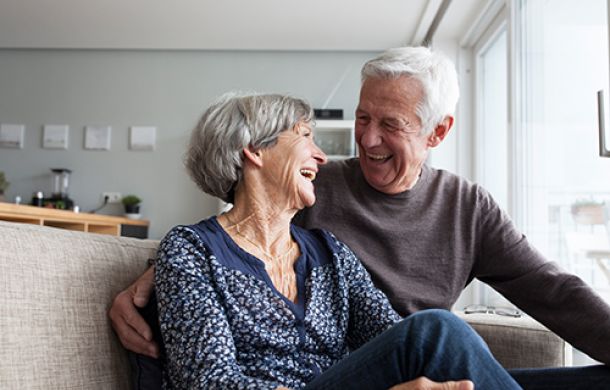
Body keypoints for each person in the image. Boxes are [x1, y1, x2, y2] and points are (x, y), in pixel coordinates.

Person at [110, 47, 610, 388]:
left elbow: (552, 290)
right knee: (437, 330)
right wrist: (160, 274)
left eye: (390, 125)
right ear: (256, 153)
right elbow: (233, 236)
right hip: (362, 374)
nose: (365, 140)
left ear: (437, 132)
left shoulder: (455, 211)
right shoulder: (305, 197)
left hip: (412, 370)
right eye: (363, 117)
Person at [151, 92, 520, 389]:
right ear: (255, 150)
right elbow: (209, 381)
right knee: (438, 329)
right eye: (305, 136)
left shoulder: (328, 251)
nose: (322, 156)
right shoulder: (192, 250)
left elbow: (397, 340)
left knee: (570, 382)